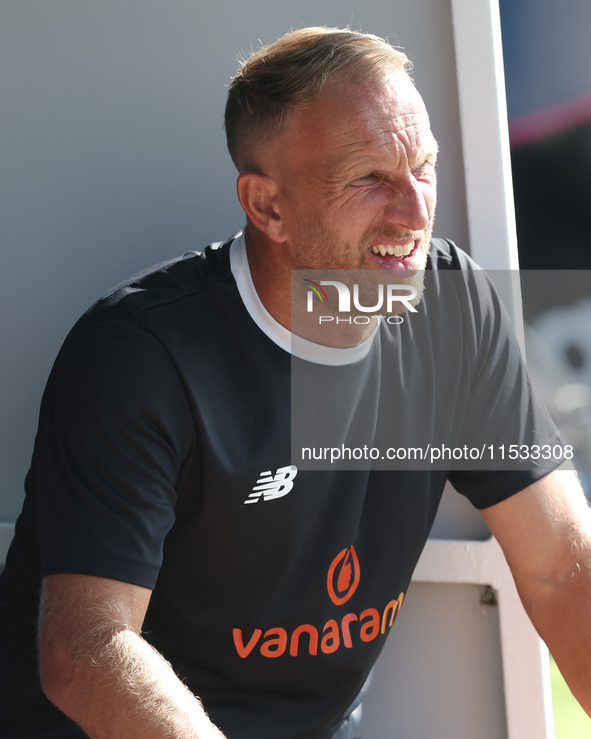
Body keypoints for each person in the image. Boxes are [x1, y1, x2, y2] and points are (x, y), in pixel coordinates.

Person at [0, 26, 590, 739]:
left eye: (423, 167)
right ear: (266, 207)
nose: (412, 213)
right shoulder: (139, 357)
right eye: (368, 178)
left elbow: (563, 568)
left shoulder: (451, 308)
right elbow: (86, 649)